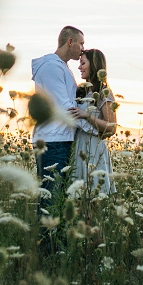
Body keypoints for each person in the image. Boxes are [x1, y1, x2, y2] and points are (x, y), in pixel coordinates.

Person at [30, 25, 85, 206]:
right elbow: (66, 108)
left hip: (60, 139)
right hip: (53, 141)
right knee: (50, 200)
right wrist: (94, 123)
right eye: (81, 44)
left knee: (58, 200)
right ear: (70, 42)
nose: (83, 49)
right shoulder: (51, 67)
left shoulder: (61, 67)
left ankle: (54, 235)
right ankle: (47, 235)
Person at [68, 49, 117, 195]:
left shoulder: (103, 91)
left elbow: (111, 128)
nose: (79, 67)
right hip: (78, 147)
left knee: (94, 198)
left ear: (94, 65)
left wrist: (86, 116)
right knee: (77, 198)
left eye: (83, 63)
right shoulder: (81, 91)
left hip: (94, 149)